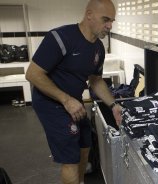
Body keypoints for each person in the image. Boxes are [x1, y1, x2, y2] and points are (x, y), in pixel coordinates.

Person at [25, 0, 122, 183]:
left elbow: (95, 80)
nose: (109, 26)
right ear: (89, 15)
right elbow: (32, 74)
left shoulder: (98, 49)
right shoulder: (60, 38)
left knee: (84, 145)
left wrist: (113, 105)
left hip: (73, 101)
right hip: (50, 103)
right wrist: (66, 100)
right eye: (105, 19)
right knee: (70, 156)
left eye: (112, 21)